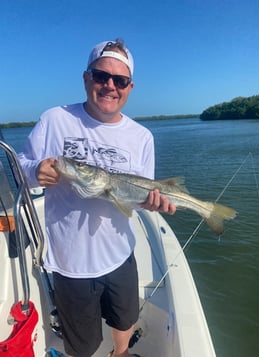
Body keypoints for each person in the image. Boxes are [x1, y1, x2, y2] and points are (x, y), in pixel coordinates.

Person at [19, 39, 176, 357]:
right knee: (83, 343)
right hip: (70, 263)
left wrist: (149, 202)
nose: (110, 86)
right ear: (86, 77)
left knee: (126, 317)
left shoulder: (142, 137)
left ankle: (120, 353)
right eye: (101, 75)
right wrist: (35, 170)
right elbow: (19, 166)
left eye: (119, 80)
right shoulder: (55, 120)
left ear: (130, 87)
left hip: (120, 252)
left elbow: (136, 195)